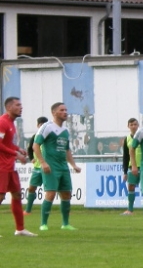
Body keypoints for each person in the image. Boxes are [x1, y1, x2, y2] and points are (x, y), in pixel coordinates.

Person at [33, 101, 82, 231]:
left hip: (63, 167)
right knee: (50, 193)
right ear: (54, 112)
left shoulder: (65, 130)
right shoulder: (46, 127)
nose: (65, 112)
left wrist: (73, 165)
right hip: (51, 166)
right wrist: (43, 162)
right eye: (62, 110)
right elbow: (35, 145)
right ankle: (43, 224)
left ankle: (65, 224)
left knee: (66, 194)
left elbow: (67, 150)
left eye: (66, 110)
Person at [0, 96, 35, 237]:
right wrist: (16, 154)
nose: (21, 107)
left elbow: (7, 143)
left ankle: (20, 229)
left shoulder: (11, 123)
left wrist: (18, 149)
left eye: (21, 105)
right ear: (9, 107)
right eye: (17, 105)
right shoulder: (2, 122)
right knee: (1, 196)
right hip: (1, 166)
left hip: (10, 166)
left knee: (17, 194)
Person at [23, 116, 47, 214]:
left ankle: (64, 209)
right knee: (31, 188)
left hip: (47, 167)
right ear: (37, 125)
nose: (42, 127)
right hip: (37, 167)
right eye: (40, 125)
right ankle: (28, 210)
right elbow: (30, 148)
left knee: (52, 189)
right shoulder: (35, 136)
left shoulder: (49, 136)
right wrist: (31, 158)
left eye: (44, 125)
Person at [121, 118, 140, 215]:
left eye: (135, 124)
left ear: (138, 125)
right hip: (132, 167)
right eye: (131, 125)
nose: (133, 126)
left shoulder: (142, 137)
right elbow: (125, 156)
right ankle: (130, 209)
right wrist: (125, 172)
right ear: (128, 126)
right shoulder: (127, 139)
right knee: (131, 187)